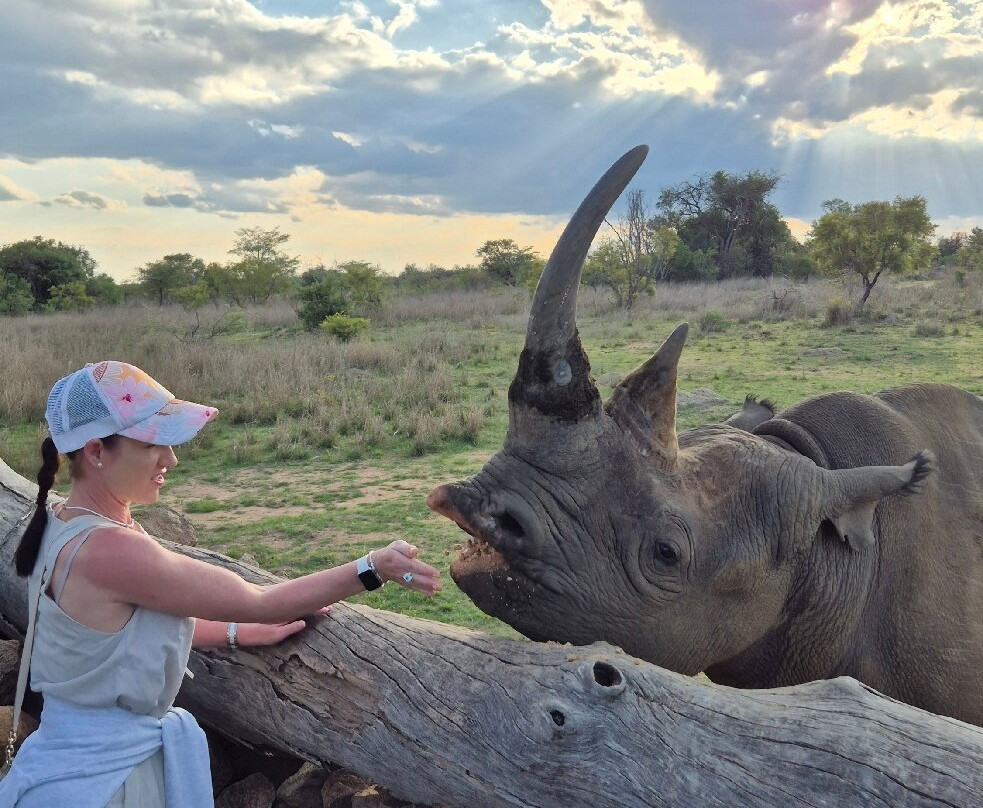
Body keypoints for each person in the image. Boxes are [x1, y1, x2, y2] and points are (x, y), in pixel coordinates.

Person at [0, 360, 441, 807]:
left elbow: (118, 628)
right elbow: (261, 600)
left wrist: (234, 633)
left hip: (64, 768)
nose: (171, 458)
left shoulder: (57, 521)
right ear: (96, 452)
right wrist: (373, 567)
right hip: (108, 785)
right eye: (155, 441)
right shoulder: (111, 550)